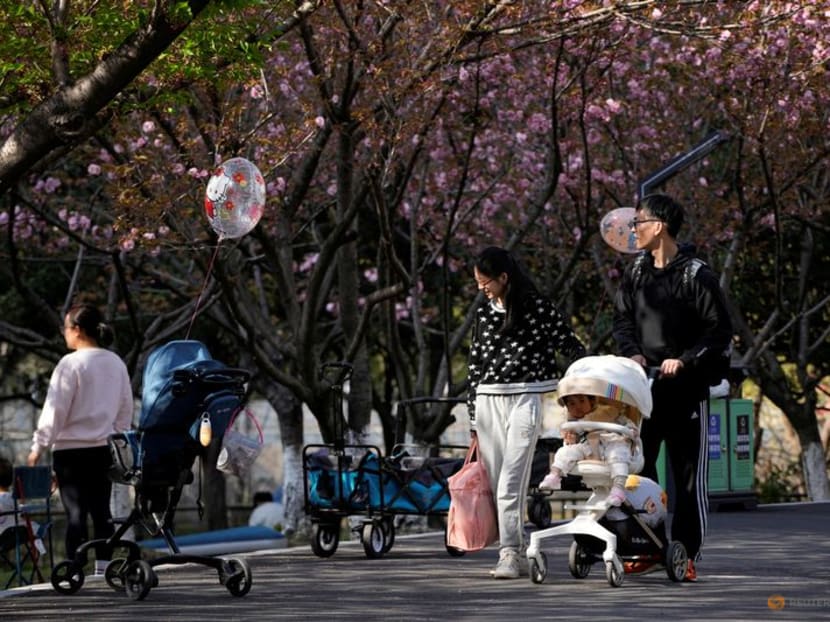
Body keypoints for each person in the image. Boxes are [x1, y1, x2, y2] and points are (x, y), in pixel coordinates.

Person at [612, 193, 733, 582]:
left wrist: (685, 359)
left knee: (687, 480)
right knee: (639, 474)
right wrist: (631, 354)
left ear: (659, 226)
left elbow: (719, 332)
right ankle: (647, 546)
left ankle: (685, 552)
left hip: (686, 393)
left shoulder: (696, 275)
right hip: (643, 394)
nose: (634, 230)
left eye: (639, 223)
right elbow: (622, 321)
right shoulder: (634, 273)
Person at [467, 246, 586, 579]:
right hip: (488, 400)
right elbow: (474, 366)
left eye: (485, 281)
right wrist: (473, 417)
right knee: (495, 484)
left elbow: (570, 345)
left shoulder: (538, 308)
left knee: (510, 482)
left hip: (527, 399)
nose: (481, 288)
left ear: (504, 278)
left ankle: (508, 553)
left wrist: (588, 378)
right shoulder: (483, 313)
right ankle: (515, 552)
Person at [28, 303, 134, 573]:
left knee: (76, 513)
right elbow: (125, 408)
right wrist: (117, 436)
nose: (64, 333)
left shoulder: (70, 364)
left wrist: (39, 445)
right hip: (104, 449)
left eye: (65, 328)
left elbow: (55, 409)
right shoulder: (116, 363)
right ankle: (103, 568)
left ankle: (74, 567)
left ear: (76, 330)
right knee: (102, 512)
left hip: (70, 452)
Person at [539, 394, 638, 506]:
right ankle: (554, 475)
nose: (578, 406)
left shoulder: (608, 412)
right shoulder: (574, 424)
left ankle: (618, 488)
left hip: (611, 444)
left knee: (619, 452)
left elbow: (627, 424)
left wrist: (631, 431)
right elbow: (572, 441)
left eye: (582, 401)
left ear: (591, 401)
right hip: (588, 451)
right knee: (565, 451)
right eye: (572, 404)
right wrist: (571, 438)